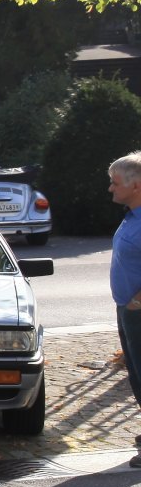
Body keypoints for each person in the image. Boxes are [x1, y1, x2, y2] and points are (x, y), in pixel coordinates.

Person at [107, 152, 141, 467]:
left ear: (136, 186)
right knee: (136, 375)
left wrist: (136, 302)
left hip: (137, 311)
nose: (111, 188)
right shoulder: (132, 216)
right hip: (128, 310)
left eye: (115, 182)